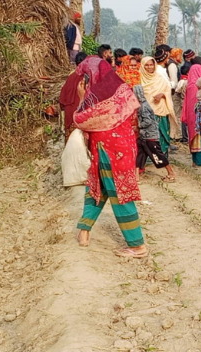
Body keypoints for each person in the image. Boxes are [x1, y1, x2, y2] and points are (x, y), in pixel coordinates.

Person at [73, 56, 147, 258]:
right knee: (96, 189)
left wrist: (82, 98)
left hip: (109, 151)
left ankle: (137, 245)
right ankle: (84, 230)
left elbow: (80, 120)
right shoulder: (122, 90)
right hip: (123, 148)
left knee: (120, 195)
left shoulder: (97, 97)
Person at [133, 85, 176, 182]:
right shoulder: (141, 105)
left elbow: (147, 121)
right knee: (139, 155)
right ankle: (136, 176)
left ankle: (171, 173)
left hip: (150, 136)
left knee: (157, 154)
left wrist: (138, 126)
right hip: (144, 135)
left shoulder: (143, 107)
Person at [140, 57, 178, 156]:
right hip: (145, 114)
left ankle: (163, 156)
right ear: (143, 66)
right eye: (147, 65)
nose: (149, 67)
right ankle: (149, 158)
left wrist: (162, 95)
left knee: (162, 134)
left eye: (151, 65)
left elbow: (167, 90)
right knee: (148, 136)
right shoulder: (139, 79)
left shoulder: (160, 78)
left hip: (161, 111)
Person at [59, 52, 88, 142]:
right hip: (81, 114)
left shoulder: (70, 77)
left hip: (69, 113)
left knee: (70, 141)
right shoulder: (87, 78)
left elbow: (62, 99)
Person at [184, 59, 201, 166]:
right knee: (199, 138)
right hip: (198, 116)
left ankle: (194, 160)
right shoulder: (199, 87)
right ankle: (199, 161)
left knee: (192, 137)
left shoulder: (189, 85)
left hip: (190, 116)